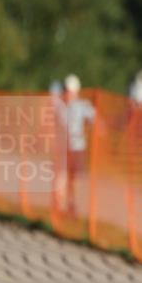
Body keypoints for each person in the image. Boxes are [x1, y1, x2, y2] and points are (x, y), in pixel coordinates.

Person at [54, 74, 96, 216]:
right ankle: (59, 205)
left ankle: (72, 204)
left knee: (74, 178)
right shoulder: (59, 106)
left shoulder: (82, 105)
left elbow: (94, 119)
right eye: (66, 90)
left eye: (69, 90)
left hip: (77, 148)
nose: (67, 93)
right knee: (61, 176)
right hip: (63, 148)